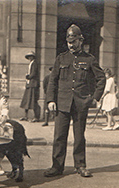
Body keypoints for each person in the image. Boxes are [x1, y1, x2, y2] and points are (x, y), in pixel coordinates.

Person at [43, 24, 106, 178]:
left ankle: (80, 165)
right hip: (62, 103)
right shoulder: (61, 58)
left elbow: (101, 79)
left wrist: (94, 98)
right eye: (69, 42)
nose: (71, 45)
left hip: (80, 104)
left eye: (74, 41)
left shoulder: (89, 59)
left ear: (80, 40)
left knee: (79, 137)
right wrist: (50, 100)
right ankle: (57, 166)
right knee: (59, 136)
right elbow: (53, 81)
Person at [20, 51, 41, 122]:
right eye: (28, 56)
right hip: (29, 84)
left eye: (30, 56)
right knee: (27, 100)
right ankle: (25, 116)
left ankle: (36, 117)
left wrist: (28, 76)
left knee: (33, 100)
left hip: (33, 85)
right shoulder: (31, 64)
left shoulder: (34, 64)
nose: (29, 58)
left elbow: (33, 73)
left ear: (33, 57)